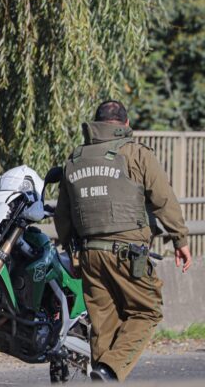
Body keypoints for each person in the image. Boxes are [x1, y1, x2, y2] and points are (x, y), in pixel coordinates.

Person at [55, 100, 192, 382]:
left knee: (103, 324)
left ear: (96, 123)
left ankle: (102, 374)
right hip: (128, 254)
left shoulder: (75, 157)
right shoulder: (136, 153)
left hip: (89, 254)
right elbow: (163, 199)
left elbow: (63, 216)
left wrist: (71, 250)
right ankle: (109, 369)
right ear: (126, 125)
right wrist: (180, 240)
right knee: (147, 311)